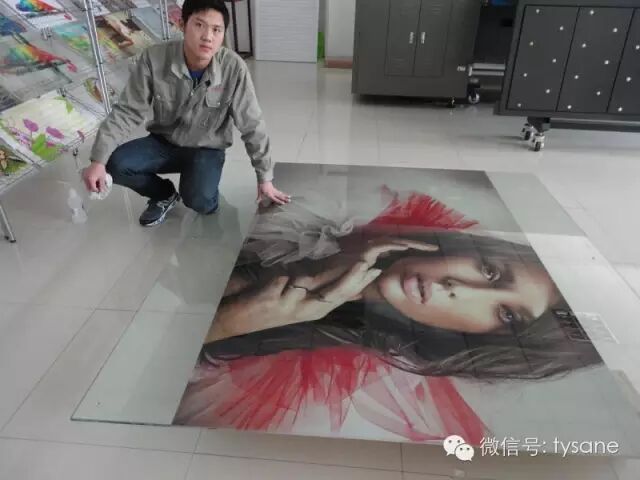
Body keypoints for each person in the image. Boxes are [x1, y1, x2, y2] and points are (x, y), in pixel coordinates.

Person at [174, 187, 603, 440]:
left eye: (506, 314)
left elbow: (166, 355)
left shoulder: (317, 380)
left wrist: (245, 319)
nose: (460, 289)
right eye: (489, 271)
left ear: (490, 341)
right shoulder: (334, 223)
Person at [82, 0, 290, 227]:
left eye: (216, 30)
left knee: (201, 201)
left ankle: (201, 185)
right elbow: (127, 111)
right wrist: (97, 160)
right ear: (182, 25)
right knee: (116, 164)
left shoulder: (233, 67)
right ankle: (164, 194)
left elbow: (252, 124)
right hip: (163, 143)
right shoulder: (153, 59)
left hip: (206, 148)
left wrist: (265, 178)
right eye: (199, 25)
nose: (208, 37)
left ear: (223, 34)